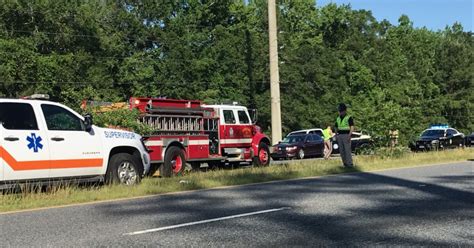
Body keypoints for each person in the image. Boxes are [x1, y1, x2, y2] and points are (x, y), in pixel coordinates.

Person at [335, 103, 354, 167]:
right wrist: (336, 135)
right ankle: (345, 163)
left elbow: (352, 127)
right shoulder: (338, 118)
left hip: (346, 135)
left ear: (345, 111)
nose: (340, 112)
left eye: (341, 111)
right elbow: (336, 127)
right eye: (339, 111)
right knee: (341, 150)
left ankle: (350, 163)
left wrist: (349, 135)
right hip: (339, 135)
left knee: (347, 150)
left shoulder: (349, 117)